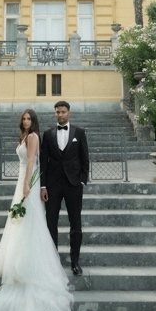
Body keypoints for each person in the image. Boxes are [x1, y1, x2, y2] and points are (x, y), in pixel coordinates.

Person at [0, 110, 72, 311]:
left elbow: (32, 160)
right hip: (21, 182)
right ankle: (13, 257)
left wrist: (26, 185)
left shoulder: (33, 137)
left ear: (34, 122)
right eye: (23, 119)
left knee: (29, 219)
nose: (25, 122)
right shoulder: (22, 137)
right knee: (17, 221)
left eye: (29, 119)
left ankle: (28, 259)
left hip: (27, 183)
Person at [41, 98, 90, 278]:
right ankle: (53, 262)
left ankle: (75, 261)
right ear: (55, 113)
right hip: (52, 186)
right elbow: (43, 162)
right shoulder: (47, 134)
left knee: (75, 224)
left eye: (63, 112)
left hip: (73, 185)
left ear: (68, 113)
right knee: (50, 223)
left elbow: (85, 158)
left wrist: (83, 180)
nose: (60, 114)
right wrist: (43, 185)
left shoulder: (79, 132)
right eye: (57, 112)